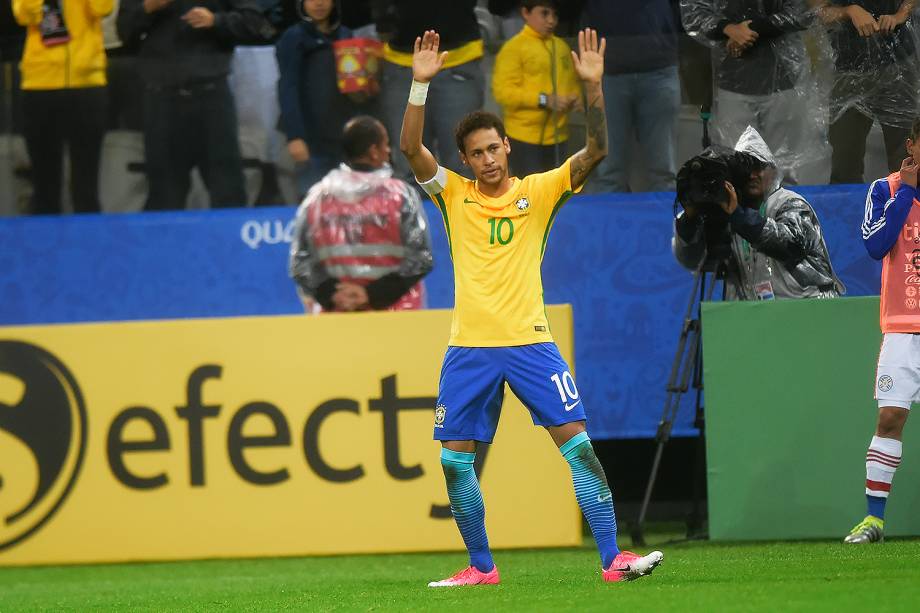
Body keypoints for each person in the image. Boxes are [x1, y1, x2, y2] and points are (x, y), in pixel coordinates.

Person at [400, 29, 663, 586]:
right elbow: (410, 149)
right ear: (467, 160)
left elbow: (597, 152)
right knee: (454, 462)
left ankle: (614, 560)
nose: (488, 158)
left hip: (530, 343)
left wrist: (593, 88)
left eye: (494, 147)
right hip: (469, 346)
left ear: (507, 148)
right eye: (477, 152)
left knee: (580, 449)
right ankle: (481, 567)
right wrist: (419, 86)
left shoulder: (538, 192)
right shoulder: (452, 195)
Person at [117, 0, 274, 210]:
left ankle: (228, 241)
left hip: (212, 97)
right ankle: (167, 242)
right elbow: (123, 32)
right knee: (164, 192)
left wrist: (216, 21)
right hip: (162, 100)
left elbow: (256, 25)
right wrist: (148, 8)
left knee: (228, 188)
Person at [844, 118, 920, 543]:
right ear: (911, 145)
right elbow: (875, 246)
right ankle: (874, 521)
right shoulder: (885, 190)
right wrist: (907, 192)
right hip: (903, 328)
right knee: (890, 418)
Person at [673, 126, 845, 300]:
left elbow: (790, 244)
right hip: (759, 318)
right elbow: (692, 261)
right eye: (747, 171)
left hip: (809, 312)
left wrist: (739, 216)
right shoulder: (728, 211)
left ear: (773, 170)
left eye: (759, 167)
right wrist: (690, 220)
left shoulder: (789, 202)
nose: (753, 175)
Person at [289, 115, 433, 313]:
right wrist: (371, 295)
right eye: (386, 144)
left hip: (337, 317)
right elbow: (421, 258)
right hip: (397, 317)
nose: (389, 150)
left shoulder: (316, 198)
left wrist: (333, 295)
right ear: (374, 151)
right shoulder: (401, 196)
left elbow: (300, 262)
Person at [680, 0, 817, 185]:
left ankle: (781, 211)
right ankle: (740, 211)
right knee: (735, 168)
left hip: (780, 83)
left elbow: (801, 12)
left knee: (782, 167)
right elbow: (694, 13)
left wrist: (747, 30)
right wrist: (729, 29)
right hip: (734, 84)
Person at [13, 0, 111, 214]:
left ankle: (87, 242)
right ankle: (47, 242)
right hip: (40, 83)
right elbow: (24, 14)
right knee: (45, 182)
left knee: (86, 183)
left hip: (87, 82)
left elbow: (102, 8)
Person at [375, 0, 484, 182]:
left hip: (458, 59)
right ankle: (412, 210)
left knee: (463, 165)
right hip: (400, 62)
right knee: (409, 163)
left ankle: (463, 211)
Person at [816, 1, 918, 183]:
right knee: (845, 159)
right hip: (848, 71)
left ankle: (908, 208)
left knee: (906, 157)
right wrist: (849, 11)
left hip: (898, 66)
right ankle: (850, 207)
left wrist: (902, 13)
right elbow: (817, 11)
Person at [584, 0, 681, 193]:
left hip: (659, 65)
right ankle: (608, 222)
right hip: (608, 69)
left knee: (663, 171)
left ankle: (665, 223)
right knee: (608, 172)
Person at [277, 0, 361, 198]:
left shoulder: (346, 36)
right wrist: (295, 136)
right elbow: (287, 87)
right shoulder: (293, 37)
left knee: (348, 202)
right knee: (313, 202)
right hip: (310, 140)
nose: (319, 3)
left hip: (343, 138)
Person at [491, 0, 581, 177]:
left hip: (558, 137)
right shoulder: (513, 48)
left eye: (554, 15)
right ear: (526, 13)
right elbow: (503, 92)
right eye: (544, 13)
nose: (551, 21)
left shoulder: (562, 48)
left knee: (556, 192)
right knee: (527, 195)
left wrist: (576, 98)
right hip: (524, 138)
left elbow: (571, 83)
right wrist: (544, 100)